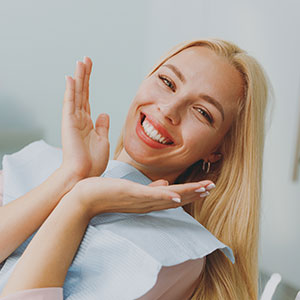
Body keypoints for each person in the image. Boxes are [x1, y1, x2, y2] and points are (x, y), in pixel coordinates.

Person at [0, 38, 269, 300]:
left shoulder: (175, 254)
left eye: (202, 112)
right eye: (167, 82)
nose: (169, 110)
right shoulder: (39, 162)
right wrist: (70, 176)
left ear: (216, 150)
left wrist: (82, 202)